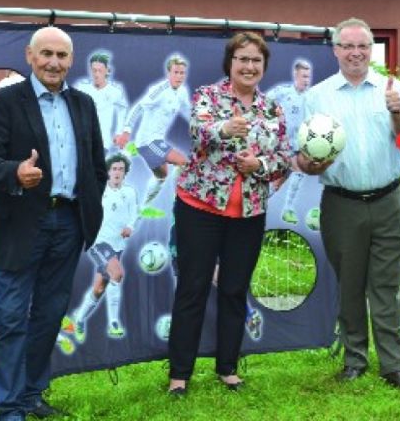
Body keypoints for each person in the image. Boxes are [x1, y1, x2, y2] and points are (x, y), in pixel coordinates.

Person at [0, 26, 107, 421]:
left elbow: (97, 167)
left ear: (71, 60)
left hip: (68, 223)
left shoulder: (83, 104)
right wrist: (16, 172)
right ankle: (9, 407)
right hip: (19, 223)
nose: (54, 62)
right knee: (13, 317)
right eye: (46, 54)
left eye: (62, 56)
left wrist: (88, 206)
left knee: (49, 317)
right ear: (30, 55)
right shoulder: (3, 102)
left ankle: (31, 395)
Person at [296, 18, 400, 396]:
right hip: (342, 204)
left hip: (388, 200)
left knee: (386, 286)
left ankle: (394, 366)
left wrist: (397, 110)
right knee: (350, 285)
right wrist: (312, 163)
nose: (355, 53)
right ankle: (355, 360)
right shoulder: (317, 96)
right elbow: (303, 158)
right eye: (347, 46)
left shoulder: (392, 88)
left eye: (363, 47)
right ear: (335, 50)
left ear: (372, 50)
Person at [166, 32, 291, 396]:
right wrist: (223, 128)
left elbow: (284, 158)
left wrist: (260, 163)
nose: (249, 66)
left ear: (264, 67)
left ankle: (228, 368)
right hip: (199, 208)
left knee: (235, 290)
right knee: (192, 288)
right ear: (230, 64)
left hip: (249, 213)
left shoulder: (273, 109)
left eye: (256, 61)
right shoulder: (207, 96)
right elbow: (197, 132)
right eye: (243, 59)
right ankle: (179, 375)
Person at [62, 152, 138, 344]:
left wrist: (130, 226)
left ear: (125, 172)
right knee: (117, 274)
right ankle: (113, 322)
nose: (117, 172)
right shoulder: (99, 190)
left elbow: (134, 215)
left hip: (117, 245)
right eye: (114, 169)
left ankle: (78, 319)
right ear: (108, 171)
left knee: (99, 288)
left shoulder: (129, 192)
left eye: (121, 169)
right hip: (99, 242)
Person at [114, 54, 190, 218]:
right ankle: (181, 204)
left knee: (161, 176)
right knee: (183, 162)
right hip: (148, 141)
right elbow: (138, 108)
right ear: (169, 73)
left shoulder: (182, 92)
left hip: (157, 141)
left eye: (182, 73)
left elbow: (189, 114)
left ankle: (141, 210)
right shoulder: (160, 90)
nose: (179, 76)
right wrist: (126, 131)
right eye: (176, 72)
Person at [266, 59, 313, 227]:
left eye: (308, 76)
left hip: (298, 145)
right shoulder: (283, 92)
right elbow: (263, 102)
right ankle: (287, 209)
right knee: (296, 171)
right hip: (280, 144)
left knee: (279, 182)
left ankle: (263, 202)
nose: (307, 80)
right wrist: (273, 116)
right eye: (304, 76)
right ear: (296, 75)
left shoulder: (311, 97)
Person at [73, 52, 130, 154]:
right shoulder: (81, 88)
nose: (96, 74)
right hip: (81, 141)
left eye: (100, 71)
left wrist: (118, 132)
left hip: (102, 142)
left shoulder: (115, 91)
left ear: (107, 71)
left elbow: (122, 111)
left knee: (97, 168)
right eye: (94, 70)